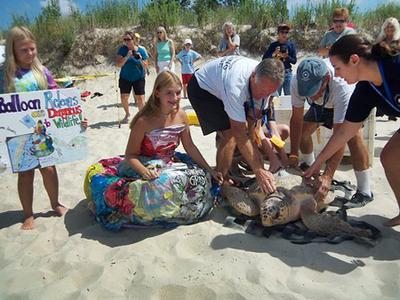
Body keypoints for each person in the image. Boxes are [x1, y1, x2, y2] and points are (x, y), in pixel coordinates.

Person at [304, 34, 400, 227]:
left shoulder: (395, 66)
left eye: (338, 68)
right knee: (389, 157)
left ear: (354, 60)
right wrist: (317, 164)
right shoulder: (365, 90)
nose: (337, 74)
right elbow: (344, 132)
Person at [0, 26, 67, 230]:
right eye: (24, 50)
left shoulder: (42, 71)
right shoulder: (5, 75)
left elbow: (57, 98)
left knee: (48, 168)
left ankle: (55, 203)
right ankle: (28, 214)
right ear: (12, 50)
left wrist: (74, 117)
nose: (30, 54)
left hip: (42, 130)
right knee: (26, 173)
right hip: (17, 133)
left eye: (33, 49)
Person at [187, 56, 284, 194]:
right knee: (230, 136)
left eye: (268, 93)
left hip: (222, 83)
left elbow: (253, 128)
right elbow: (239, 134)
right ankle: (220, 181)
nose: (263, 95)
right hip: (202, 88)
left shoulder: (266, 85)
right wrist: (258, 170)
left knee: (249, 131)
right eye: (262, 90)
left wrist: (262, 166)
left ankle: (234, 165)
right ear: (253, 76)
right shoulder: (236, 86)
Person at [289, 57, 373, 204]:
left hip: (346, 102)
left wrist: (328, 175)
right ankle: (310, 167)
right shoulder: (296, 81)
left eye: (314, 90)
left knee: (353, 138)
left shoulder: (342, 84)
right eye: (307, 92)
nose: (312, 96)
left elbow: (340, 135)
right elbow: (296, 119)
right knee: (303, 131)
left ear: (327, 78)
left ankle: (365, 191)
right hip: (322, 106)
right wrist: (294, 153)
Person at [116, 30, 149, 121]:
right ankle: (127, 114)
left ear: (133, 39)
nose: (126, 41)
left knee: (140, 99)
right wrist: (126, 56)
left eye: (128, 39)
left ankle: (142, 116)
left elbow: (146, 65)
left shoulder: (141, 50)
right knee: (124, 97)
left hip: (138, 78)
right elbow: (118, 64)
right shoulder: (122, 49)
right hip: (125, 77)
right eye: (124, 39)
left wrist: (141, 59)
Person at [375, 17, 400, 121]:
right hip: (382, 72)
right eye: (387, 26)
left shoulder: (398, 41)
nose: (389, 29)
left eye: (392, 27)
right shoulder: (379, 41)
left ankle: (392, 113)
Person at [262, 24, 297, 96]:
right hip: (276, 73)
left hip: (288, 73)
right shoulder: (273, 45)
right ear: (278, 33)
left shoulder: (291, 45)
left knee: (289, 97)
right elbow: (264, 59)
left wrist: (287, 57)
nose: (284, 34)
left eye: (286, 32)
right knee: (275, 97)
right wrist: (274, 53)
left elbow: (294, 61)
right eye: (282, 32)